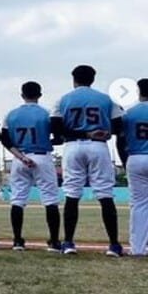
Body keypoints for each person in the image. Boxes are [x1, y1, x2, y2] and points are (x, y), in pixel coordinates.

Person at [52, 65, 124, 256]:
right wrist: (105, 132)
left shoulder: (63, 99)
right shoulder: (106, 99)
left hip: (73, 146)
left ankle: (68, 243)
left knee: (72, 194)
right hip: (98, 146)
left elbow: (56, 129)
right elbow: (119, 125)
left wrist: (83, 133)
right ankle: (114, 245)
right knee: (105, 193)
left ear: (74, 79)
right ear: (93, 79)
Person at [1, 81, 62, 252]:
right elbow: (59, 138)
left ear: (22, 95)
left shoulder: (11, 114)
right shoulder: (47, 113)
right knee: (50, 199)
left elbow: (5, 140)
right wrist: (47, 141)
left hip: (19, 158)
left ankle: (17, 241)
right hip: (42, 156)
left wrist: (21, 156)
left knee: (18, 199)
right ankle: (54, 241)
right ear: (39, 95)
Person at [119, 78, 148, 256]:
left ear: (138, 91)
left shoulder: (128, 113)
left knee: (139, 205)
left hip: (136, 157)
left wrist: (124, 162)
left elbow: (120, 141)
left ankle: (138, 248)